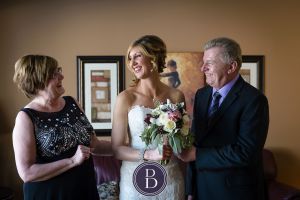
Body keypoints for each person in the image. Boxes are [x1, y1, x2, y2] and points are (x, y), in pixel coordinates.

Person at [179, 37, 269, 200]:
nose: (203, 68)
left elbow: (245, 152)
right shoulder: (201, 95)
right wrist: (190, 189)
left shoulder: (254, 100)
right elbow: (195, 141)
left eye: (210, 63)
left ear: (232, 66)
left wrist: (197, 155)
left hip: (235, 193)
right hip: (201, 188)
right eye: (203, 62)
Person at [12, 55, 112, 200]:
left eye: (59, 70)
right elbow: (27, 173)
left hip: (85, 190)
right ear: (38, 80)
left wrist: (134, 147)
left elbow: (94, 144)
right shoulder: (26, 117)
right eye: (54, 74)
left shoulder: (72, 103)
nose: (62, 76)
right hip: (50, 194)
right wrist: (72, 161)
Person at [111, 35, 185, 200]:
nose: (132, 63)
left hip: (171, 179)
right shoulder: (126, 98)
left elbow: (181, 143)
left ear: (153, 57)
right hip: (136, 181)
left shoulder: (176, 96)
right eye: (130, 58)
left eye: (137, 56)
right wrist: (149, 154)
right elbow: (117, 149)